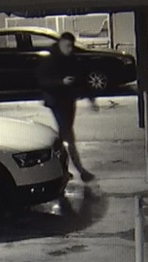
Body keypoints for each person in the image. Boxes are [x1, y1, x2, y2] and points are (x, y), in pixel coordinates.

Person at [37, 32, 97, 183]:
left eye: (71, 46)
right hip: (56, 101)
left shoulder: (71, 59)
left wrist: (90, 99)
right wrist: (61, 82)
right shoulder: (51, 60)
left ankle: (61, 170)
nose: (70, 49)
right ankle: (80, 170)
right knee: (68, 135)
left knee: (65, 135)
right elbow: (43, 81)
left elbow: (82, 79)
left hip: (68, 100)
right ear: (61, 44)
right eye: (67, 46)